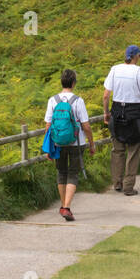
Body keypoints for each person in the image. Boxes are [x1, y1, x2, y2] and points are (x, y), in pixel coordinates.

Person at [102, 45, 140, 196]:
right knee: (133, 151)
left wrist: (106, 113)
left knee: (117, 150)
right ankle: (128, 186)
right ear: (136, 56)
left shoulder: (115, 69)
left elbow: (106, 95)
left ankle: (117, 183)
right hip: (134, 114)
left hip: (116, 111)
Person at [45, 69, 94, 220]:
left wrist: (49, 147)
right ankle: (66, 207)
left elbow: (48, 125)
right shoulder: (78, 101)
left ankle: (63, 205)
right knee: (73, 173)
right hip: (77, 142)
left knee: (61, 173)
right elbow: (86, 126)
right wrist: (92, 143)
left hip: (58, 143)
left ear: (62, 82)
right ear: (74, 83)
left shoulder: (53, 100)